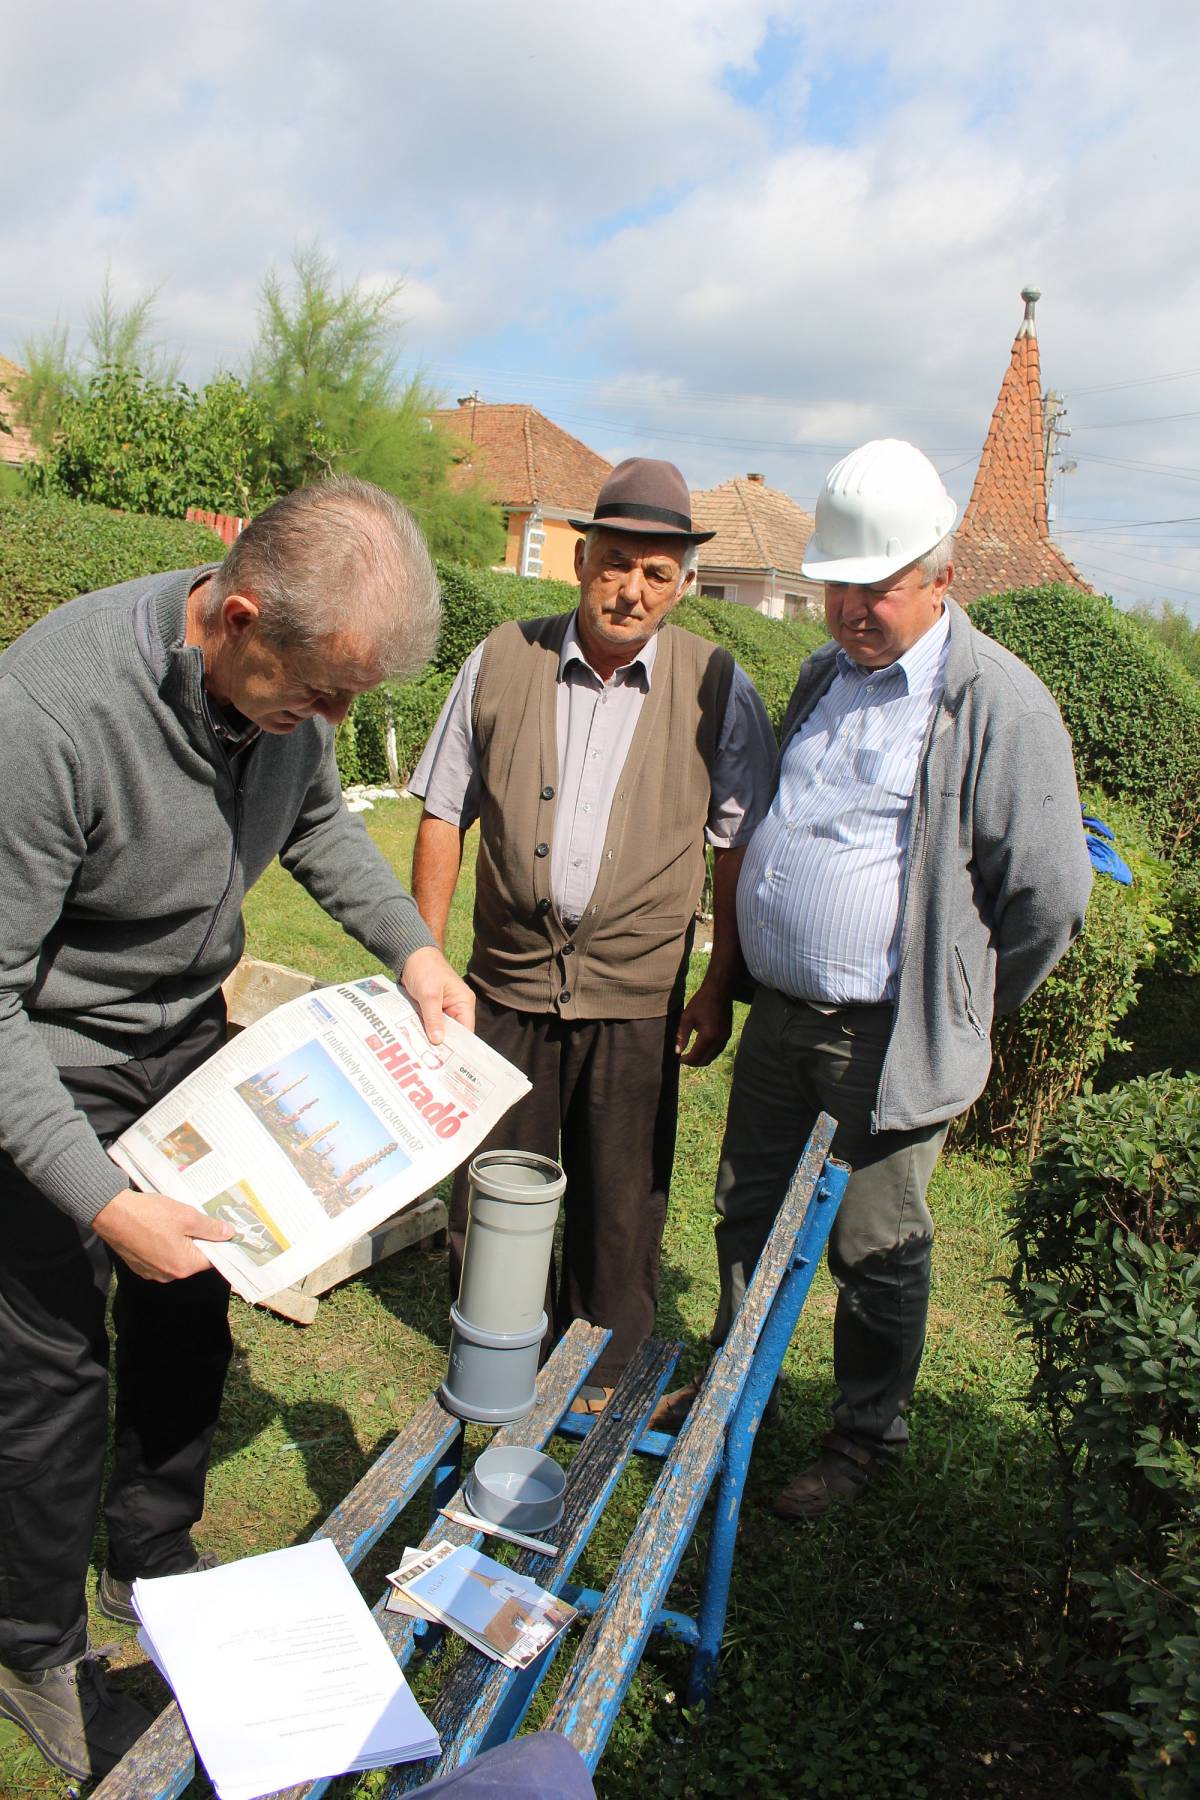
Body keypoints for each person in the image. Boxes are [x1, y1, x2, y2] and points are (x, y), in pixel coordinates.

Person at [0, 476, 473, 1780]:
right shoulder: (48, 713)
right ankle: (33, 1643)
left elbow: (317, 821)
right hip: (49, 1062)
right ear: (239, 616)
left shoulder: (286, 695)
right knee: (46, 1379)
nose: (328, 725)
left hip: (185, 1046)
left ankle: (150, 1555)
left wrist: (413, 953)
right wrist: (101, 1200)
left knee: (190, 1308)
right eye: (318, 696)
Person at [652, 439, 1093, 1518]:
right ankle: (730, 1388)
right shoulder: (824, 675)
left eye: (876, 589)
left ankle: (863, 1442)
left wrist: (959, 1008)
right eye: (838, 586)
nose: (851, 609)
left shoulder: (998, 703)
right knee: (745, 1207)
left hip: (888, 1035)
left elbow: (1049, 897)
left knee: (875, 1243)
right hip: (786, 1013)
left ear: (942, 577)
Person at [410, 458, 776, 1409]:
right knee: (495, 1184)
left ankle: (601, 1376)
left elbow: (735, 844)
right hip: (506, 984)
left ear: (684, 584)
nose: (632, 590)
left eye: (657, 574)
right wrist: (424, 961)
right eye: (615, 564)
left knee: (621, 1202)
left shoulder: (717, 685)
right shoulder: (500, 656)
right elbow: (444, 812)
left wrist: (715, 983)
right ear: (581, 561)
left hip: (637, 995)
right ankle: (493, 1351)